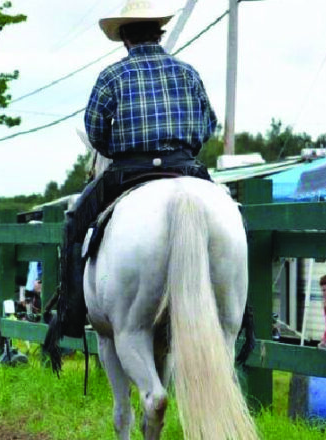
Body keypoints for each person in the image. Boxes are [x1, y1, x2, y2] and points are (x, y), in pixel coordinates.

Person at [56, 0, 217, 339]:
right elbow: (208, 125)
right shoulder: (187, 72)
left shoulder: (111, 76)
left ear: (125, 37)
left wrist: (117, 149)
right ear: (158, 32)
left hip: (129, 171)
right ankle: (245, 315)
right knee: (234, 217)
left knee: (74, 223)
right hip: (184, 166)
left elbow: (96, 131)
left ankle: (71, 313)